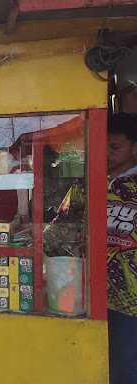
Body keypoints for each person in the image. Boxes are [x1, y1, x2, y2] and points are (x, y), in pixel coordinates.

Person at [107, 113, 137, 384]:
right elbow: (62, 224)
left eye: (114, 147)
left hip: (132, 298)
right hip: (93, 292)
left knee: (127, 367)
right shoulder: (90, 182)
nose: (106, 153)